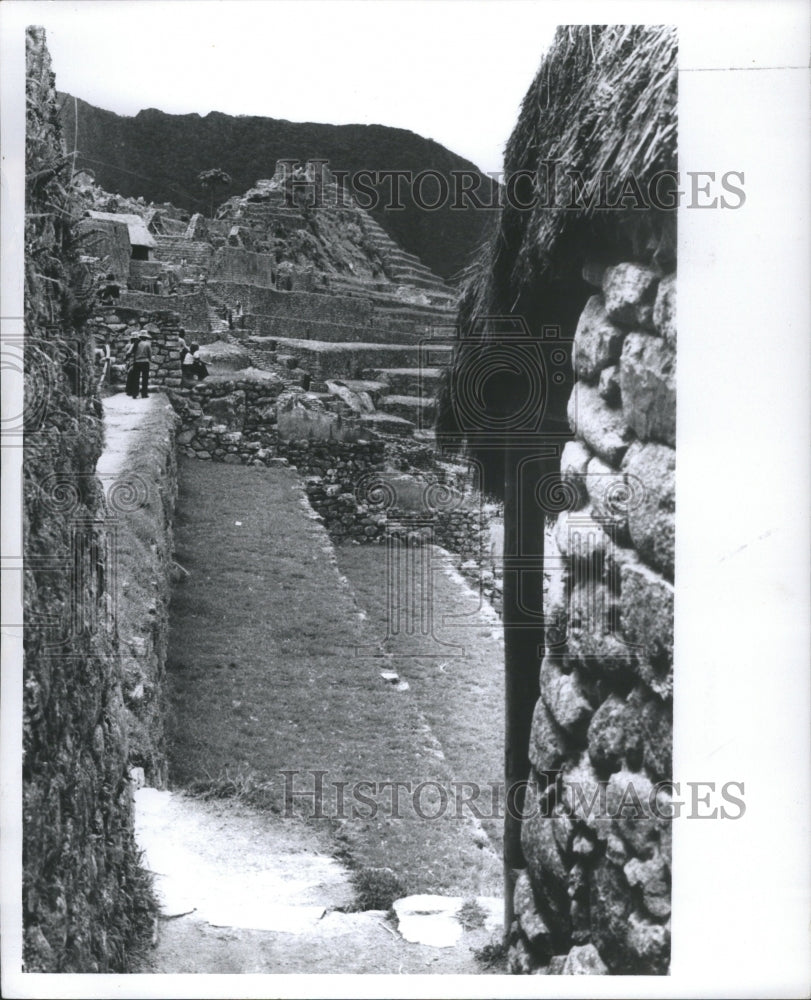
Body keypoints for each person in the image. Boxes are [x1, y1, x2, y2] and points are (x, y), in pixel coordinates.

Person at [132, 332, 152, 398]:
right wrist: (150, 359)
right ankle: (144, 394)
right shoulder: (148, 344)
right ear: (146, 337)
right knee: (145, 378)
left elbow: (133, 353)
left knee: (135, 378)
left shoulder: (136, 343)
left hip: (137, 362)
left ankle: (135, 394)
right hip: (145, 362)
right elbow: (150, 354)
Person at [124, 331, 140, 397]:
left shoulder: (128, 345)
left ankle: (129, 390)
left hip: (129, 362)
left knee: (129, 376)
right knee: (135, 377)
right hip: (135, 361)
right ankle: (134, 391)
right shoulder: (138, 345)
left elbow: (126, 354)